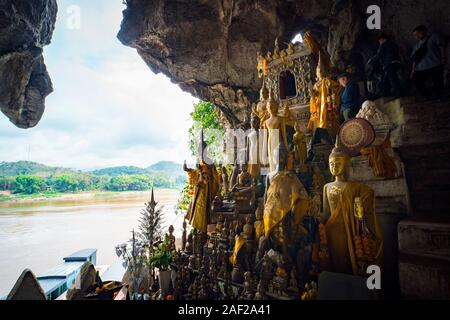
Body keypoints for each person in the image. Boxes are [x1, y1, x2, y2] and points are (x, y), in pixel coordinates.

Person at [410, 25, 447, 101]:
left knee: (438, 82)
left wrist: (444, 57)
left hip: (434, 64)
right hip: (420, 68)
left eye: (418, 33)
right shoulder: (417, 45)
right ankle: (428, 97)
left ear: (424, 31)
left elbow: (442, 47)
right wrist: (413, 70)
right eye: (415, 35)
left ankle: (440, 97)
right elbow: (415, 59)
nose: (416, 36)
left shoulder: (434, 37)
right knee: (418, 83)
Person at [370, 34, 402, 98]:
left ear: (382, 39)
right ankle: (386, 94)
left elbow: (378, 55)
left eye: (380, 41)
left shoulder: (384, 45)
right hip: (396, 63)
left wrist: (371, 61)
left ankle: (398, 94)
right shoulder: (394, 44)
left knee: (393, 80)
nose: (379, 43)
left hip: (389, 64)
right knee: (387, 80)